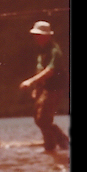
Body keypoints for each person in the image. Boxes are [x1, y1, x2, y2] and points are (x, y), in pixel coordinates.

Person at [19, 20, 69, 152]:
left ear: (47, 36)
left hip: (54, 89)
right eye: (35, 35)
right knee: (38, 118)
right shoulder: (42, 51)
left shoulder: (54, 51)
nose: (36, 38)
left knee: (43, 119)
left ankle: (59, 142)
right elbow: (40, 71)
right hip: (44, 88)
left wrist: (31, 82)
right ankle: (51, 146)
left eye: (39, 35)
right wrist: (37, 88)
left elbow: (49, 71)